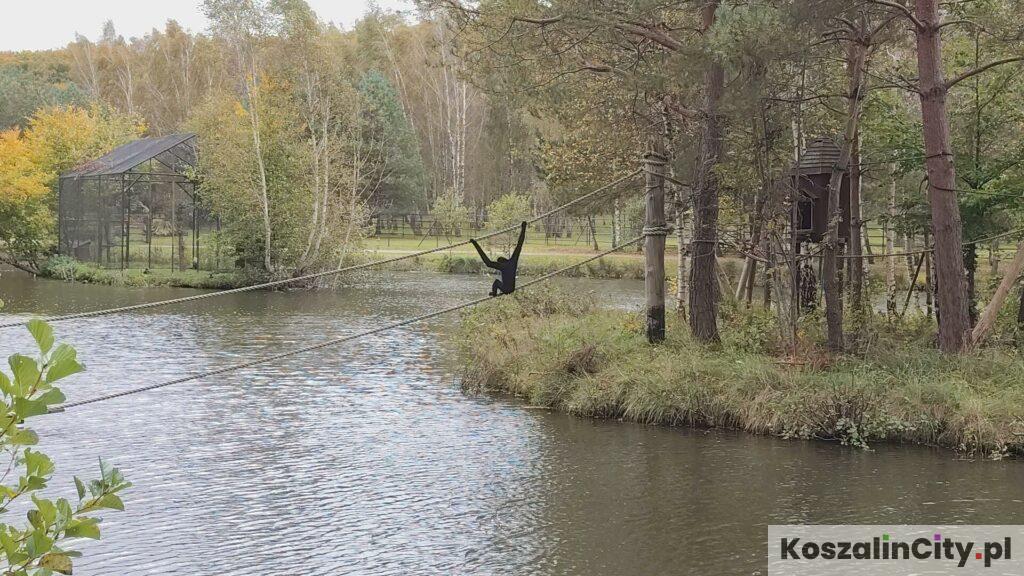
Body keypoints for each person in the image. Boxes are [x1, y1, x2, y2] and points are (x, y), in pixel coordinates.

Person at [470, 222, 527, 296]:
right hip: (512, 289)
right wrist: (524, 228)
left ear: (501, 263)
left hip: (505, 289)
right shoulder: (513, 261)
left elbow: (487, 262)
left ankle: (494, 293)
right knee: (519, 246)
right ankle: (496, 293)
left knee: (496, 282)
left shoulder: (502, 266)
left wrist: (475, 243)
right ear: (505, 259)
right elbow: (519, 244)